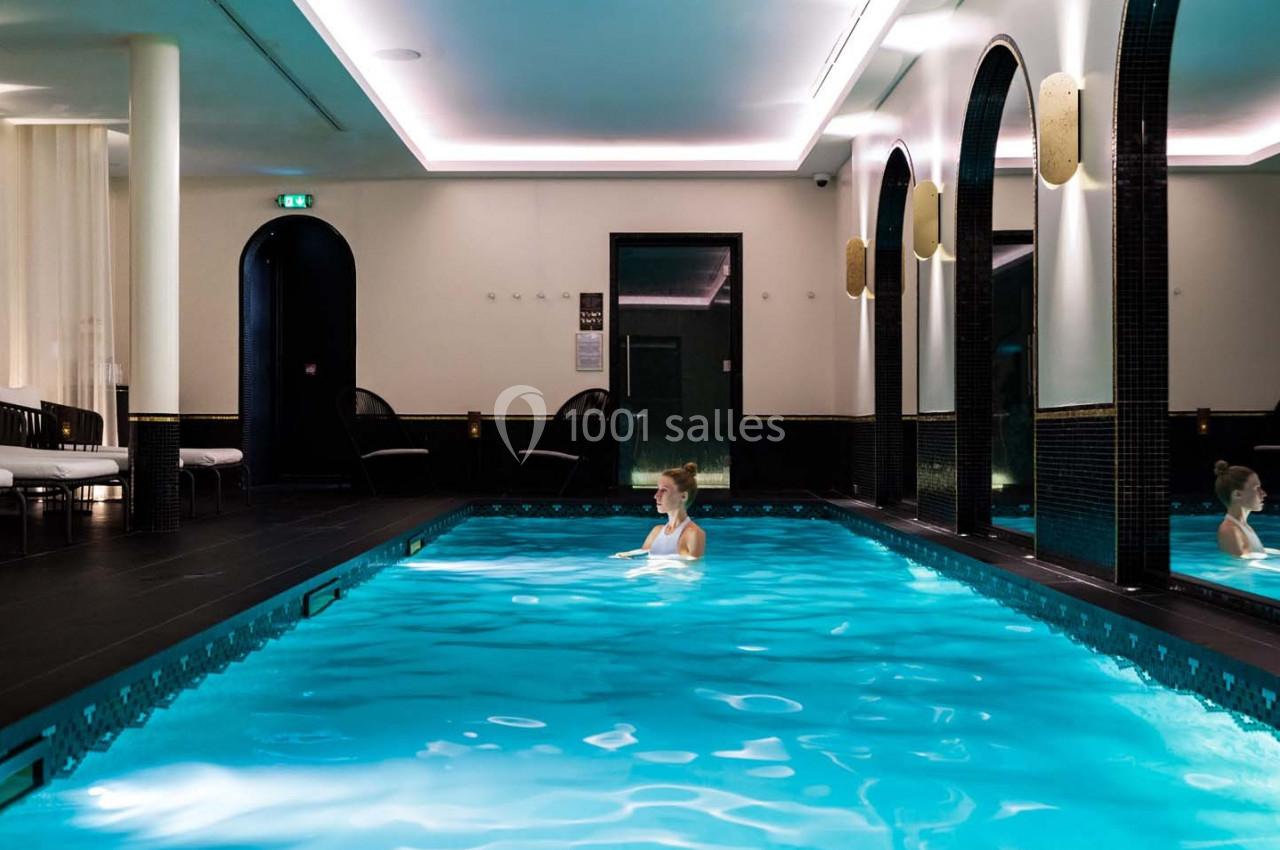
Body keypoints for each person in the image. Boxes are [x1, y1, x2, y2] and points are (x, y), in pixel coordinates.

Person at [614, 462, 707, 561]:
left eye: (664, 490)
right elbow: (642, 558)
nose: (656, 496)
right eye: (658, 489)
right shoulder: (656, 532)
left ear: (683, 496)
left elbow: (695, 568)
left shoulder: (694, 534)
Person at [1214, 460, 1279, 559]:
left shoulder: (1242, 527)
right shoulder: (1230, 530)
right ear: (1237, 495)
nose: (1264, 493)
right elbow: (1241, 565)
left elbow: (1254, 554)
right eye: (1257, 488)